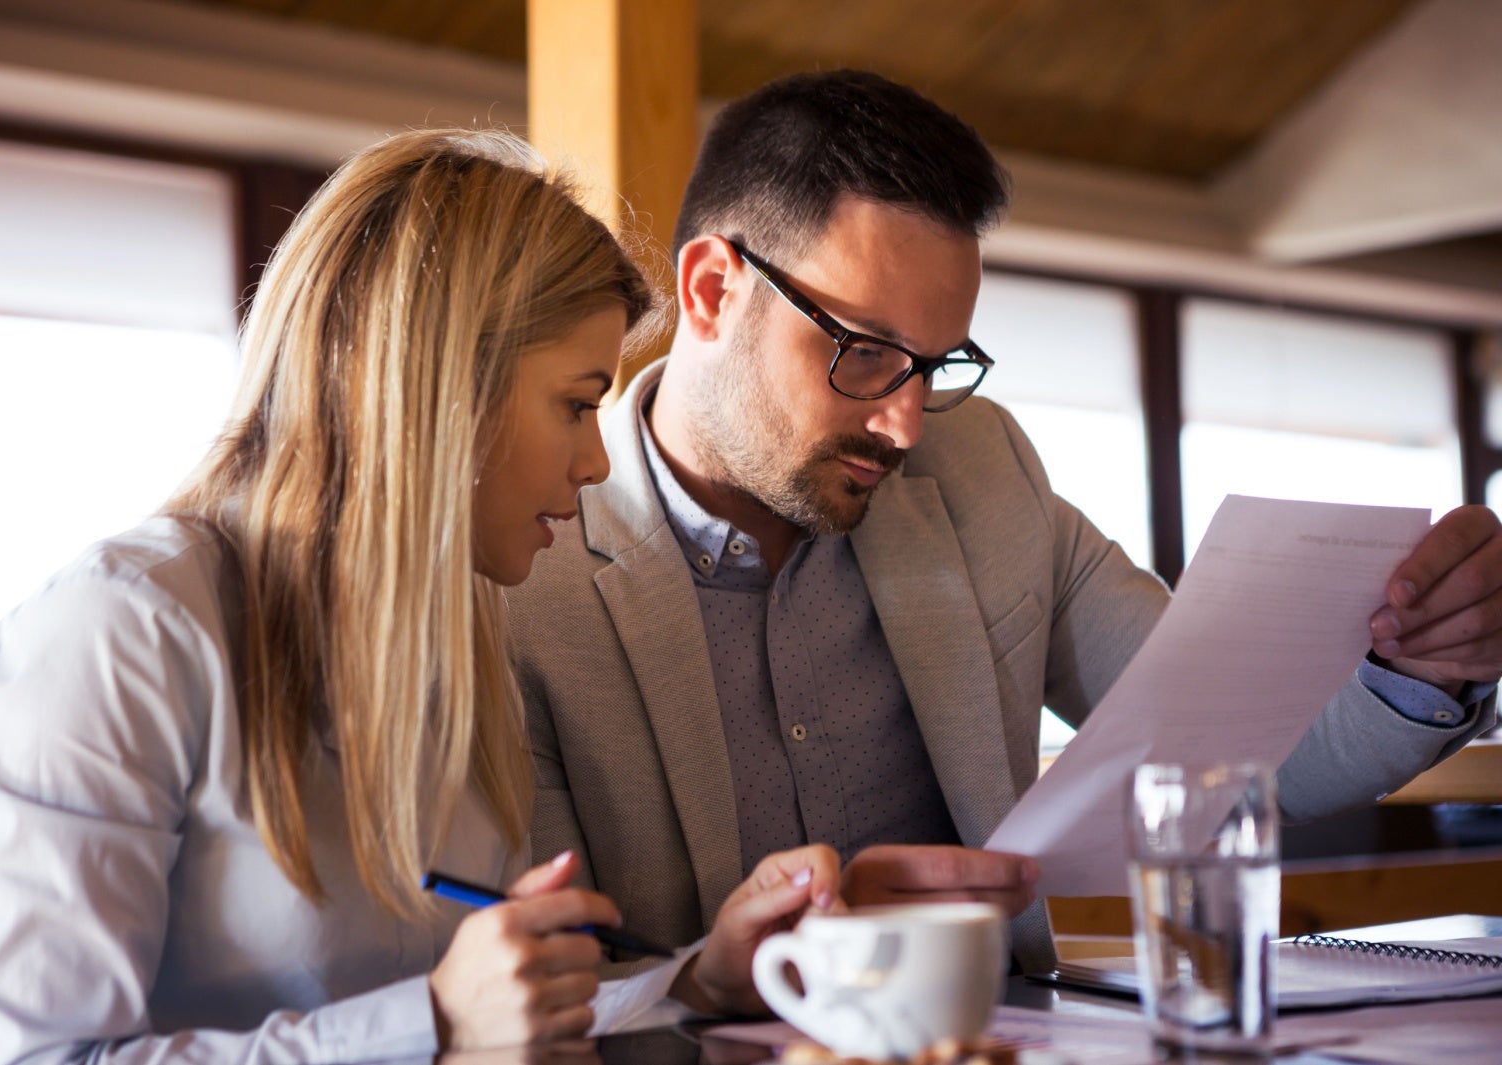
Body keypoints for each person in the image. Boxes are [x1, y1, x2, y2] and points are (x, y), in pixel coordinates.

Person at [505, 70, 1502, 977]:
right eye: (864, 352)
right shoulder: (521, 573)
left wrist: (1421, 665)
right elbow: (541, 984)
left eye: (936, 364)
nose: (904, 425)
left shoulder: (983, 472)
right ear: (711, 291)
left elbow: (1229, 757)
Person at [0, 128, 841, 1065]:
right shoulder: (116, 636)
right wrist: (436, 1023)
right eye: (578, 403)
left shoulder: (461, 634)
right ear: (443, 385)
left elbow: (493, 1013)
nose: (596, 461)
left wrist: (698, 980)